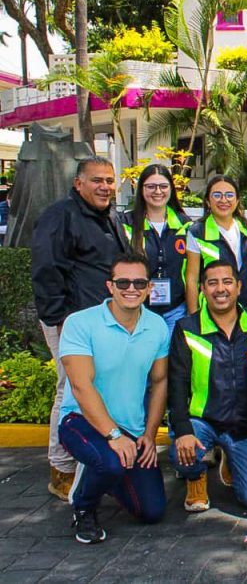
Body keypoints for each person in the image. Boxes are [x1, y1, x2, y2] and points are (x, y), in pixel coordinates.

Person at [31, 156, 130, 502]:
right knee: (69, 390)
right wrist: (59, 320)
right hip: (72, 323)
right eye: (97, 180)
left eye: (109, 180)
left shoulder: (108, 217)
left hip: (101, 322)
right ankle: (61, 469)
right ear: (78, 184)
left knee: (91, 388)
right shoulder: (61, 216)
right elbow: (46, 269)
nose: (105, 186)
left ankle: (89, 461)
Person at [57, 252, 169, 543]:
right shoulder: (80, 323)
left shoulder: (157, 326)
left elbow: (159, 382)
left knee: (152, 511)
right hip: (80, 421)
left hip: (131, 429)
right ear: (110, 286)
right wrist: (113, 435)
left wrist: (149, 434)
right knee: (110, 463)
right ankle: (84, 506)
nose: (131, 289)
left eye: (139, 283)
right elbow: (81, 386)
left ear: (149, 288)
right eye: (123, 283)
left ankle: (105, 472)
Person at [168, 260, 247, 512]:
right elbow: (177, 385)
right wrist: (183, 431)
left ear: (239, 287)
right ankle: (196, 477)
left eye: (227, 282)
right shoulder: (187, 328)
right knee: (181, 456)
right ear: (202, 289)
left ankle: (230, 460)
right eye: (212, 283)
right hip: (203, 422)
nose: (220, 289)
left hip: (245, 427)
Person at [121, 163, 192, 332]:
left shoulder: (185, 224)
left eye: (163, 186)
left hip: (176, 310)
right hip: (138, 310)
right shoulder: (126, 224)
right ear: (141, 189)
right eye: (151, 186)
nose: (158, 191)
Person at [184, 175, 247, 314]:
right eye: (217, 195)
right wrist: (193, 318)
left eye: (229, 195)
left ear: (237, 200)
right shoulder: (197, 232)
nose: (223, 200)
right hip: (213, 312)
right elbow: (192, 280)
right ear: (208, 201)